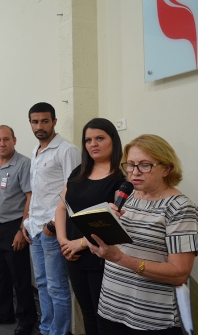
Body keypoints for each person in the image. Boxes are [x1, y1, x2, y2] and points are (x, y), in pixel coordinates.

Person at [87, 134, 198, 334]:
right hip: (111, 307)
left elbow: (179, 273)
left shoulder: (180, 208)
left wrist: (121, 258)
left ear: (166, 168)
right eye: (130, 165)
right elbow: (119, 246)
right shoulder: (129, 197)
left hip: (150, 318)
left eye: (144, 165)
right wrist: (99, 235)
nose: (135, 172)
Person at [54, 118, 125, 335]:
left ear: (113, 140)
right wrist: (63, 241)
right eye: (88, 140)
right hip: (73, 255)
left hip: (102, 257)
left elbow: (115, 221)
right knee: (87, 313)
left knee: (104, 317)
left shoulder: (121, 177)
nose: (93, 144)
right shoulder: (79, 172)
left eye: (100, 138)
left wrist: (80, 243)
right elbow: (61, 208)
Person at [23, 102, 80, 335]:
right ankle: (46, 329)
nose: (40, 126)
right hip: (35, 228)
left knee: (57, 287)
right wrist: (27, 221)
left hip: (53, 229)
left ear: (54, 121)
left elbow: (75, 191)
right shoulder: (35, 152)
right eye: (35, 122)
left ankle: (58, 332)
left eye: (45, 121)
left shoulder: (67, 150)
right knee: (42, 284)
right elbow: (38, 192)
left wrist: (54, 225)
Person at [0, 125, 37, 335]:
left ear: (14, 140)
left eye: (6, 139)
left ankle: (26, 320)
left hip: (14, 227)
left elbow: (30, 197)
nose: (2, 144)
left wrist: (22, 229)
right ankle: (3, 313)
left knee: (19, 278)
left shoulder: (23, 165)